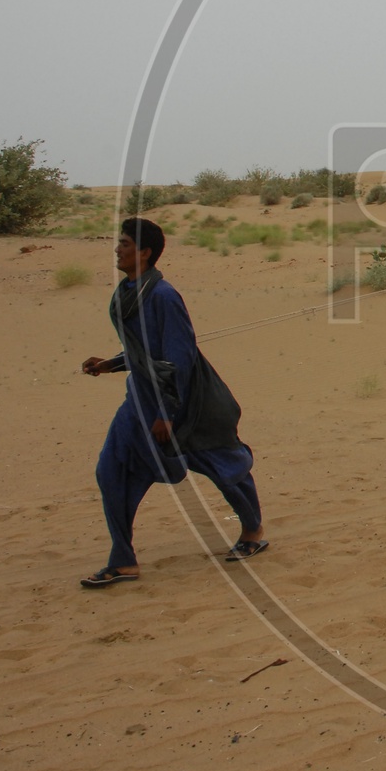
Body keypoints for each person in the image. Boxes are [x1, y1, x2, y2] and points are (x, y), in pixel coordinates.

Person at [80, 219, 267, 587]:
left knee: (221, 464)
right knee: (111, 470)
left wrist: (166, 414)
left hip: (184, 404)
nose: (117, 249)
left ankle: (252, 531)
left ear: (145, 252)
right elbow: (144, 351)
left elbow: (177, 357)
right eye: (118, 243)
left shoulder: (163, 296)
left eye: (125, 244)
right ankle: (123, 560)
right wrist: (110, 364)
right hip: (139, 401)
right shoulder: (126, 292)